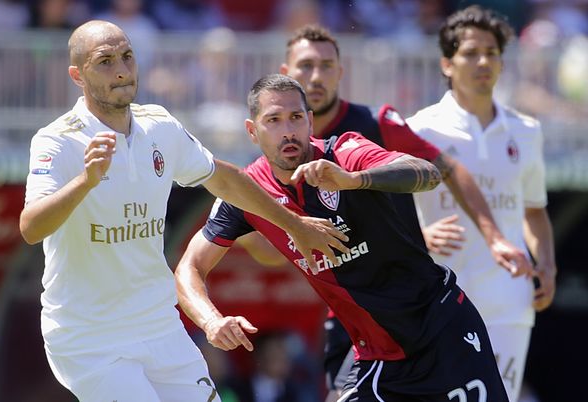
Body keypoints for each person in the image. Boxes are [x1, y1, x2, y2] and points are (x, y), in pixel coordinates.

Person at [19, 21, 349, 402]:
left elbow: (222, 178)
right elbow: (31, 227)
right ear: (78, 75)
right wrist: (85, 182)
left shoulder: (159, 125)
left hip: (159, 325)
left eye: (126, 57)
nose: (122, 70)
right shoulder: (58, 140)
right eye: (105, 61)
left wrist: (295, 225)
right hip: (90, 338)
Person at [236, 23, 532, 400]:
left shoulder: (372, 125)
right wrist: (293, 231)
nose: (316, 76)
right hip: (349, 316)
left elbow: (443, 170)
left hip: (412, 302)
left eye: (327, 66)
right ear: (286, 72)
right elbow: (269, 252)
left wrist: (495, 238)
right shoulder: (264, 167)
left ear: (341, 74)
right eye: (305, 66)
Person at [176, 73, 510, 401]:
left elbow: (428, 173)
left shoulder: (346, 153)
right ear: (252, 131)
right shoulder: (247, 194)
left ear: (310, 121)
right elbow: (189, 267)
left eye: (295, 118)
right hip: (378, 359)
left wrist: (354, 180)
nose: (288, 131)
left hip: (442, 329)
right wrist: (210, 322)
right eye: (273, 120)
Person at [406, 6, 557, 401]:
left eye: (491, 52)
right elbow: (387, 206)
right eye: (471, 53)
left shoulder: (526, 131)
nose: (483, 62)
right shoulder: (419, 128)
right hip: (439, 292)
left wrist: (548, 264)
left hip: (508, 294)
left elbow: (534, 210)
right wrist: (420, 234)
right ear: (447, 63)